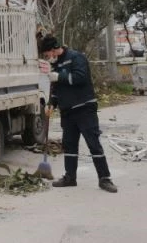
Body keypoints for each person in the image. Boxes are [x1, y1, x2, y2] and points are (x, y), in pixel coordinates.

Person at [38, 35, 118, 193]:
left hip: (84, 108)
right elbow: (56, 89)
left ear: (54, 49)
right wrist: (51, 104)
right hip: (68, 112)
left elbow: (81, 78)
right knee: (69, 145)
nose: (47, 58)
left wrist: (59, 76)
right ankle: (70, 177)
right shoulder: (56, 64)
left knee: (93, 144)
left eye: (47, 55)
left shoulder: (76, 57)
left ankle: (105, 179)